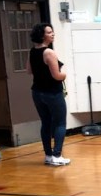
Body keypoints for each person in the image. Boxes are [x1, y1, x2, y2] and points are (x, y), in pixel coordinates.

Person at [27, 22, 70, 166]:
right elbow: (57, 76)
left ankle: (48, 155)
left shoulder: (32, 51)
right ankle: (57, 156)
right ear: (42, 35)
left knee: (45, 123)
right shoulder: (49, 52)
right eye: (49, 32)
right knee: (60, 123)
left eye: (52, 32)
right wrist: (65, 75)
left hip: (37, 92)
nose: (53, 34)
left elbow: (29, 71)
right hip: (52, 92)